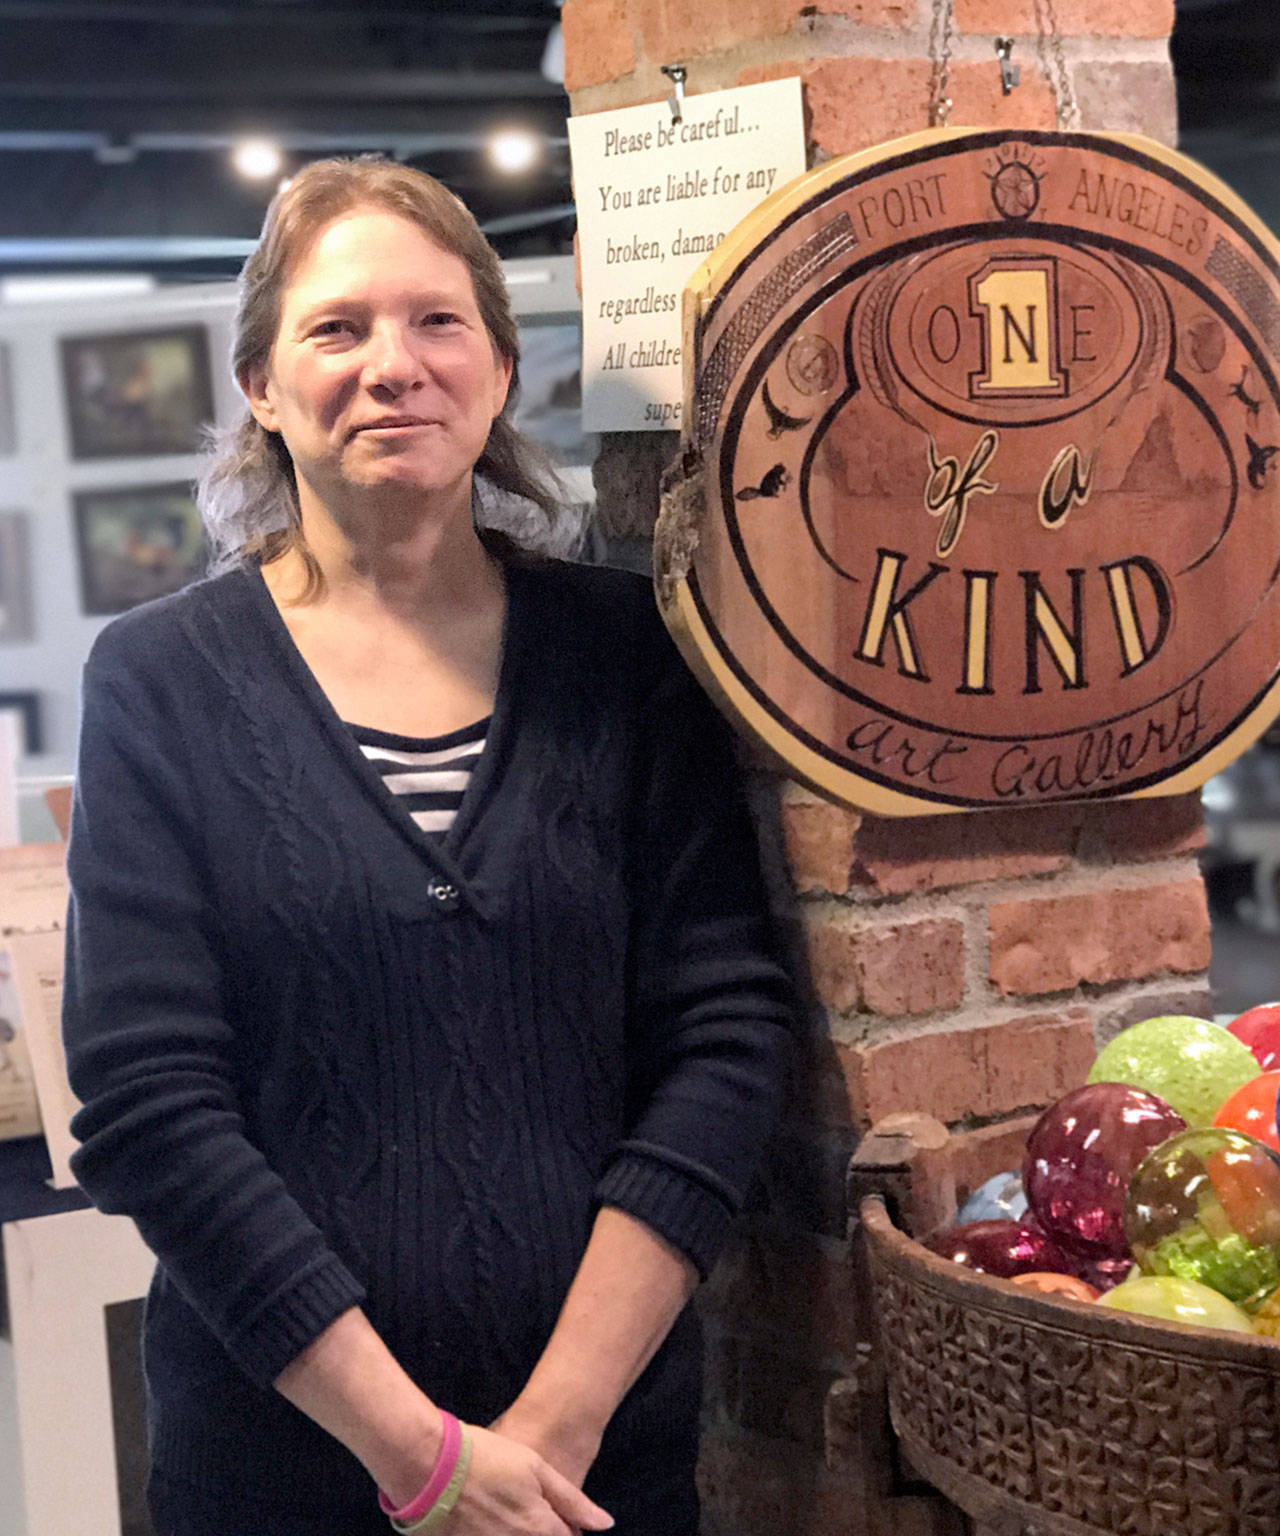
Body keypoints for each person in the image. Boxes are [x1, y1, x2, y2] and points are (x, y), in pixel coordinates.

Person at [62, 157, 796, 1536]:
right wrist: (424, 1463)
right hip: (285, 1476)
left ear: (501, 372)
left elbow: (725, 1039)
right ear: (263, 390)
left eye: (437, 322)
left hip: (592, 1473)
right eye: (337, 329)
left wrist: (550, 1435)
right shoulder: (158, 682)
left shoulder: (630, 654)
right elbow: (151, 1103)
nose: (394, 365)